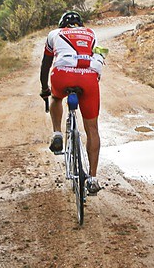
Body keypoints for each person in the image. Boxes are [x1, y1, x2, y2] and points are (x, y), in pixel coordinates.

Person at [40, 11, 107, 195]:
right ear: (81, 25)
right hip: (89, 79)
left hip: (62, 76)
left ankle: (57, 134)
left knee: (56, 97)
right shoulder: (91, 33)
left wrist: (45, 90)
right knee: (92, 129)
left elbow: (45, 65)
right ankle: (93, 179)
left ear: (62, 25)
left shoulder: (55, 34)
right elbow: (98, 56)